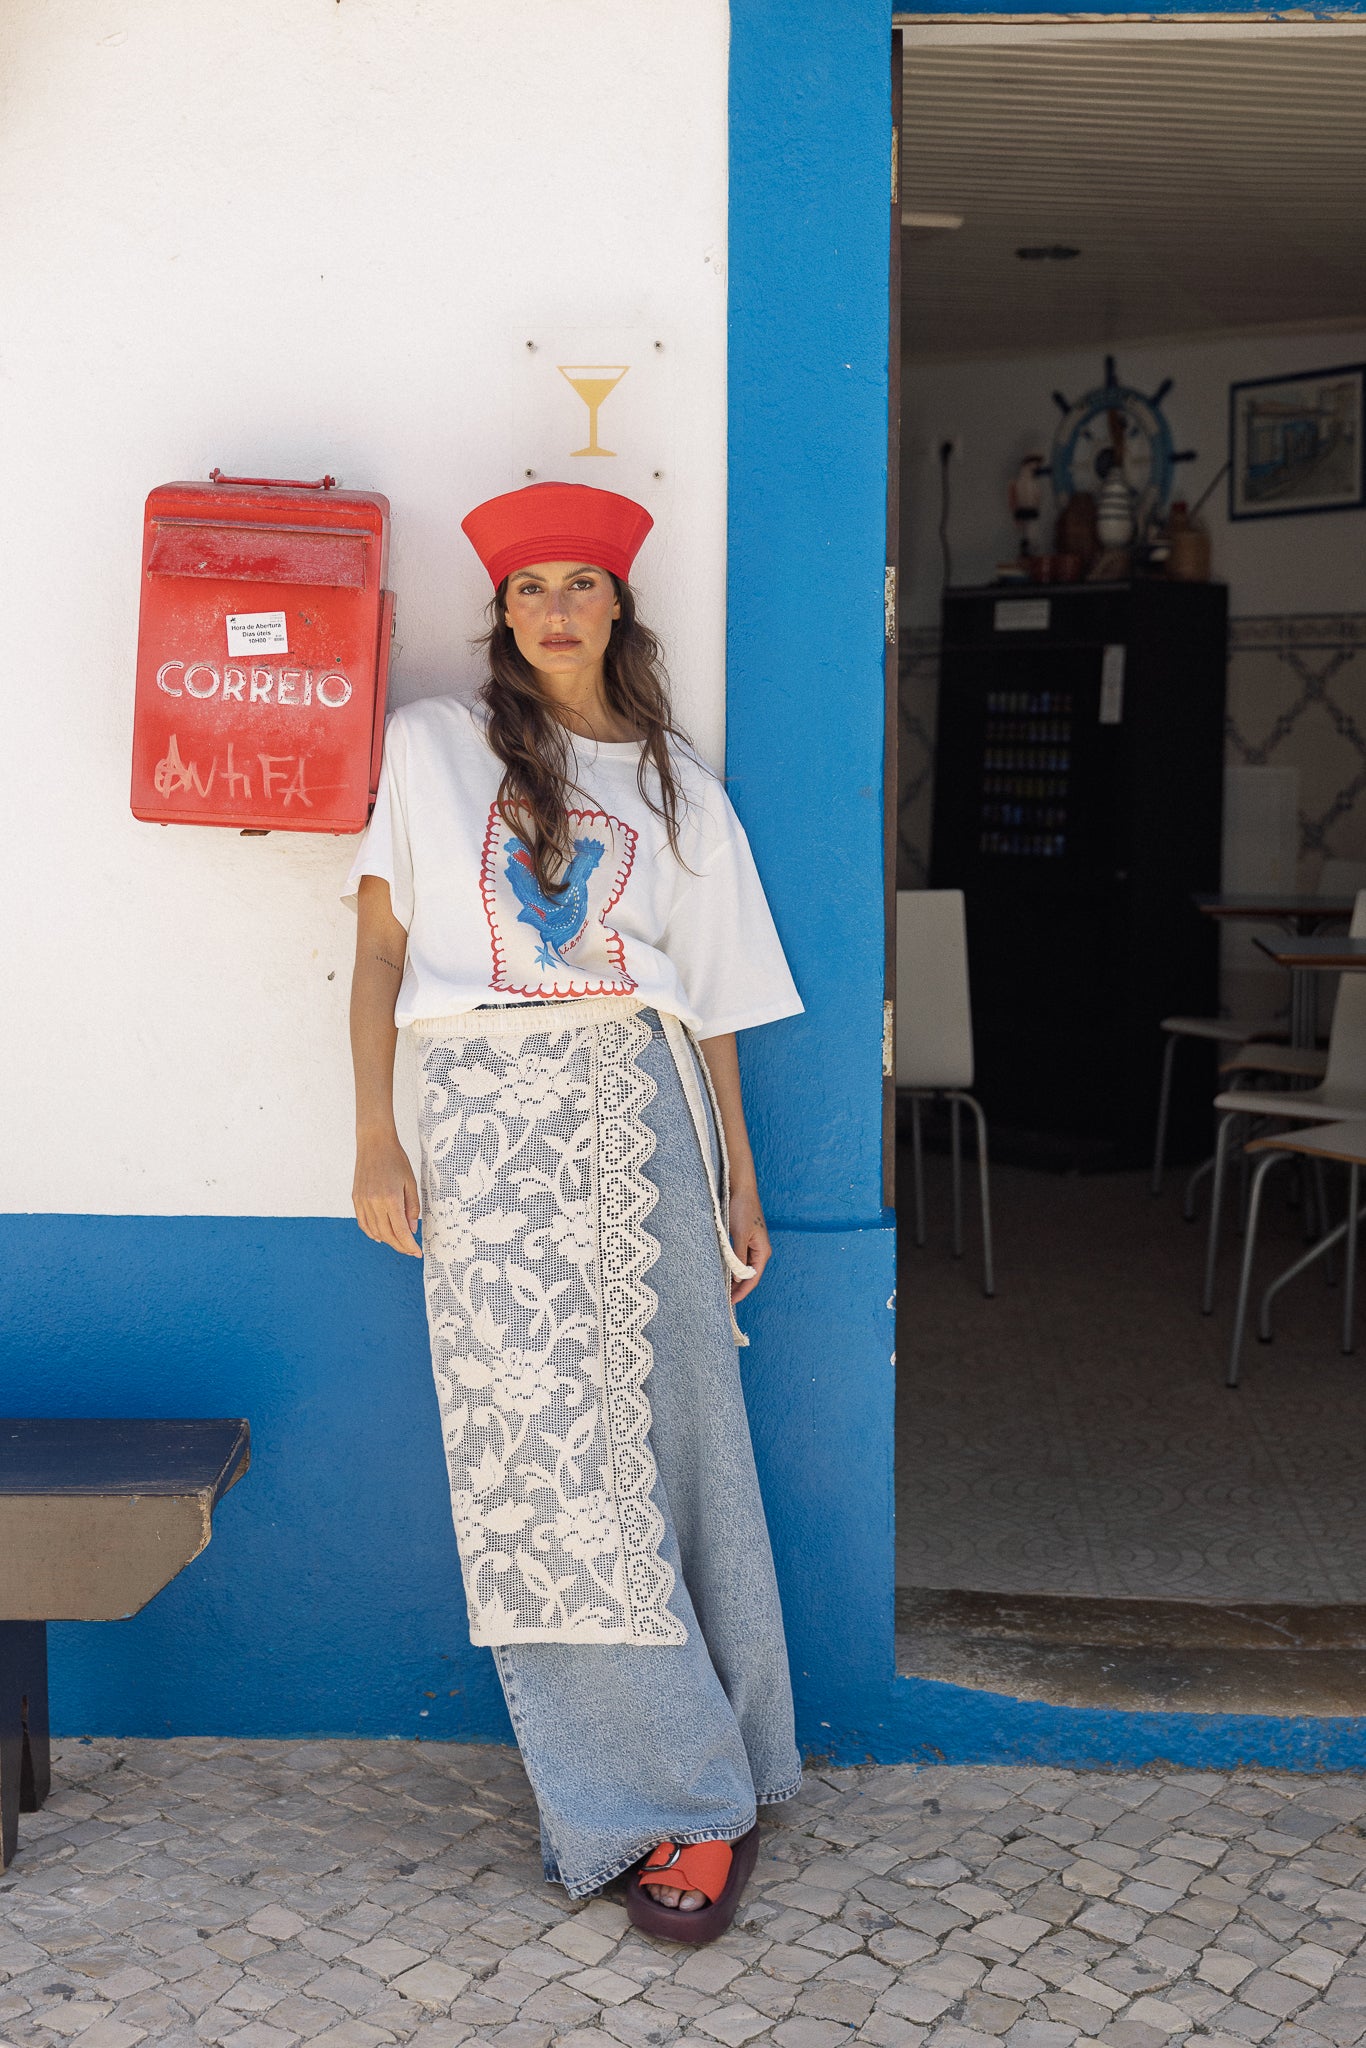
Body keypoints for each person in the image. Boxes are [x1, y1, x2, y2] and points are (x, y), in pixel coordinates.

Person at [344, 481, 803, 1943]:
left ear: (619, 606)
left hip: (641, 1108)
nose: (554, 609)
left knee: (679, 1441)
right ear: (500, 611)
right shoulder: (430, 744)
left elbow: (713, 1002)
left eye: (580, 585)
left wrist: (739, 1177)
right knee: (536, 1470)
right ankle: (666, 1786)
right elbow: (379, 952)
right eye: (529, 587)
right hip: (483, 1124)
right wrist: (374, 1136)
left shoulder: (675, 786)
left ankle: (719, 1772)